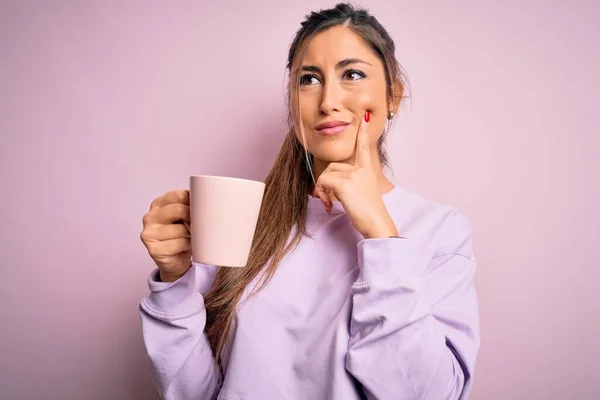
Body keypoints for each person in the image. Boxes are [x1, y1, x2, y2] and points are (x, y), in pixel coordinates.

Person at [139, 3, 480, 399]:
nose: (328, 101)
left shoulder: (439, 229)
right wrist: (174, 282)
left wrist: (381, 237)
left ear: (393, 96)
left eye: (352, 74)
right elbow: (195, 393)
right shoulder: (244, 220)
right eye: (309, 80)